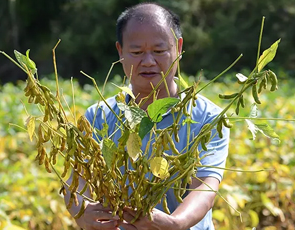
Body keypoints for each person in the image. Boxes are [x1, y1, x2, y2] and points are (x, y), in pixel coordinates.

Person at [65, 3, 229, 230]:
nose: (149, 61)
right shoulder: (99, 116)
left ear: (178, 48)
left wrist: (175, 223)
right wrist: (81, 210)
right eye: (136, 52)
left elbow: (205, 186)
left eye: (159, 51)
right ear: (120, 52)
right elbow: (75, 180)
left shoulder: (206, 117)